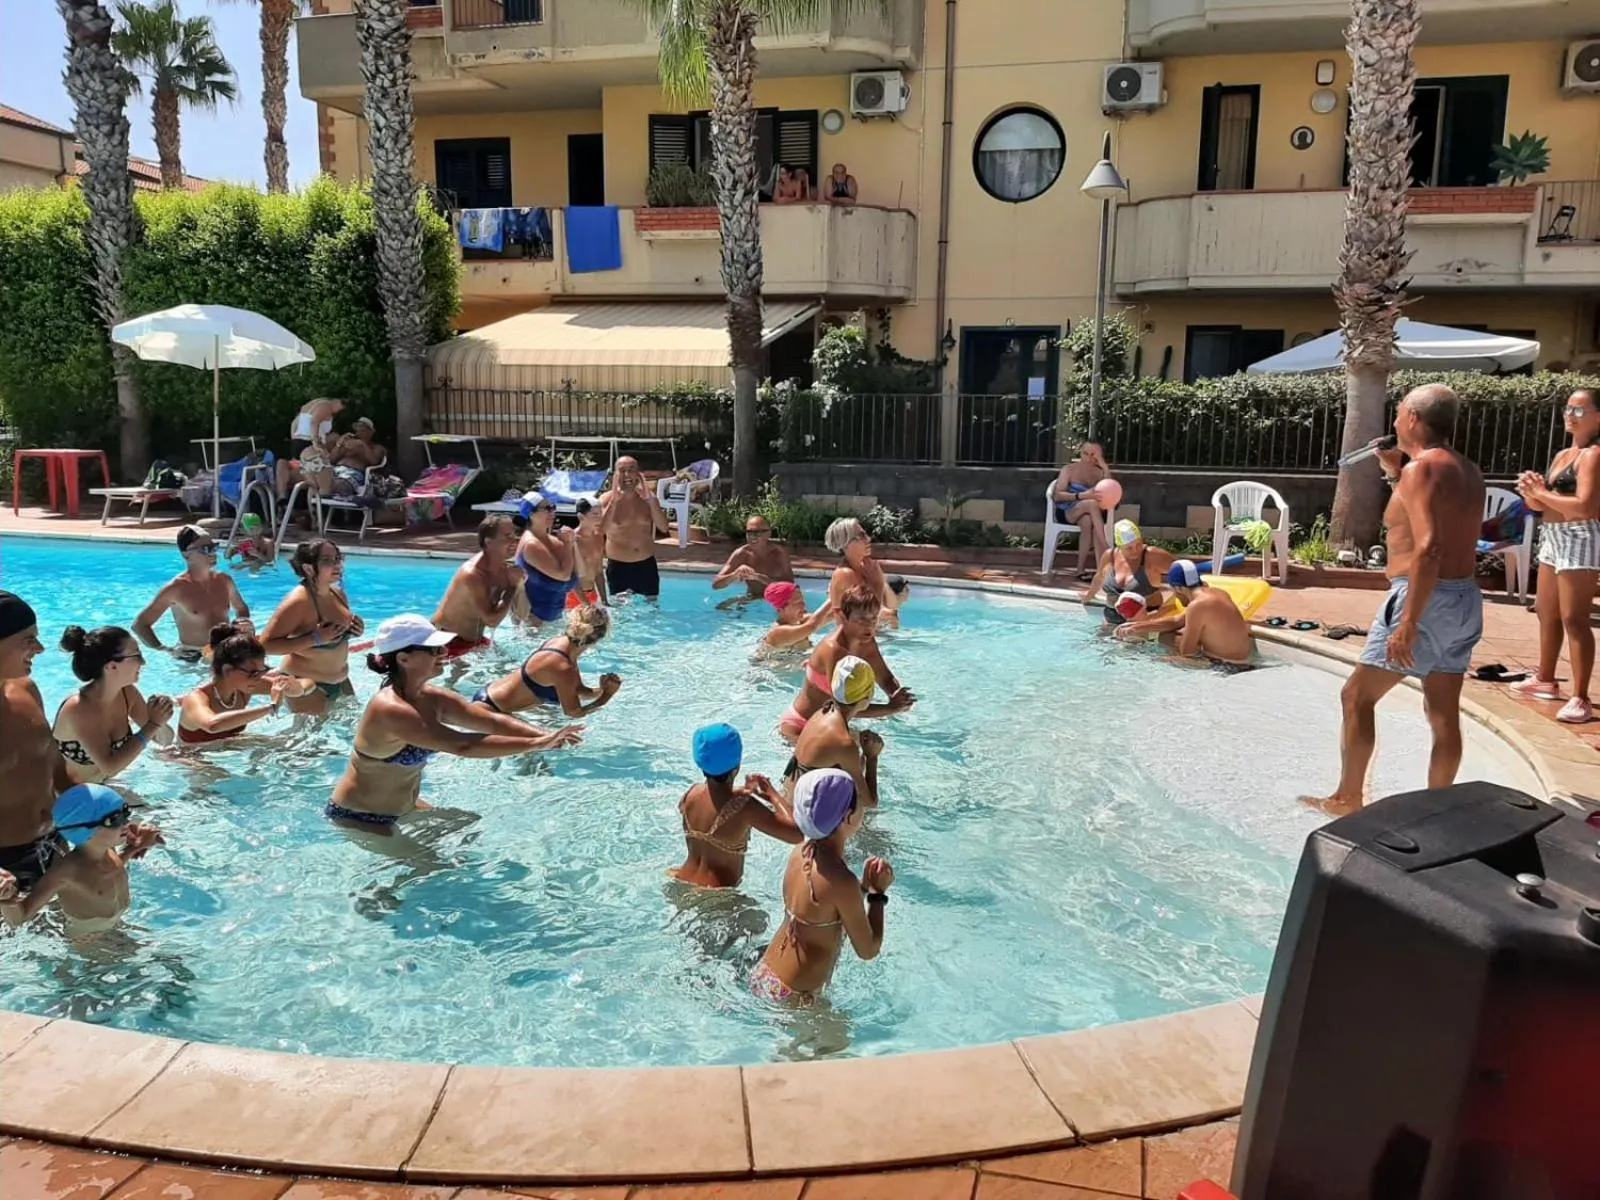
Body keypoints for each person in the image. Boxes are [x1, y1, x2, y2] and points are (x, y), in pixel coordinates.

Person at [1315, 384, 1485, 816]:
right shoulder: (1467, 470)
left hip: (1424, 598)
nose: (1393, 422)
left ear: (1412, 418)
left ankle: (1347, 799)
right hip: (1464, 598)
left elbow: (1429, 548)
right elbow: (1434, 522)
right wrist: (1395, 472)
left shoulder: (1421, 470)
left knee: (1356, 697)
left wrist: (1408, 621)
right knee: (1442, 712)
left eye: (1398, 414)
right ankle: (1437, 809)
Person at [327, 615, 582, 833]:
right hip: (360, 816)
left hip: (404, 807)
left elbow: (490, 720)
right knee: (432, 865)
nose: (444, 653)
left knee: (466, 824)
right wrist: (536, 744)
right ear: (404, 658)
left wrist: (548, 735)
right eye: (434, 649)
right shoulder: (391, 709)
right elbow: (463, 745)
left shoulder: (432, 697)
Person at [751, 769, 892, 1005]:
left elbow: (826, 908)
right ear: (848, 816)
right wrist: (877, 895)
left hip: (766, 974)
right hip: (797, 998)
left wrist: (863, 888)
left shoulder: (800, 853)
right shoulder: (841, 880)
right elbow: (868, 950)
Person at [1513, 388, 1600, 723]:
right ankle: (1545, 679)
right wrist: (1531, 494)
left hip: (1580, 537)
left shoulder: (1593, 455)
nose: (1569, 415)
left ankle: (1581, 697)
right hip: (1553, 535)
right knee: (1546, 611)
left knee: (1574, 618)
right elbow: (1543, 506)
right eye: (1568, 409)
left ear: (1597, 417)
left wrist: (1542, 493)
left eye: (1579, 411)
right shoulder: (1564, 454)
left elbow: (1584, 507)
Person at [0, 783, 163, 931]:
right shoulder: (66, 872)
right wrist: (6, 899)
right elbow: (19, 919)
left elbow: (109, 871)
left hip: (115, 926)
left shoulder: (108, 850)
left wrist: (135, 847)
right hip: (89, 943)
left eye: (125, 813)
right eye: (114, 820)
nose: (126, 823)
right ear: (85, 831)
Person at [0, 592, 75, 892]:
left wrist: (101, 817)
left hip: (54, 842)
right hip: (5, 870)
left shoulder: (27, 690)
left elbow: (53, 766)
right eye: (28, 639)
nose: (41, 648)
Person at [671, 723, 801, 889]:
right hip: (718, 894)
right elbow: (797, 834)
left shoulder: (690, 795)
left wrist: (740, 791)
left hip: (680, 881)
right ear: (737, 764)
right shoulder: (745, 807)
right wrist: (772, 795)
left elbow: (716, 803)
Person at [781, 583, 913, 742]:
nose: (869, 625)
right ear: (842, 616)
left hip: (830, 722)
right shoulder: (834, 649)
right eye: (862, 619)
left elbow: (884, 677)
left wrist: (899, 697)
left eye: (874, 618)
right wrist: (890, 708)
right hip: (802, 726)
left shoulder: (866, 641)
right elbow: (841, 706)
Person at [51, 626, 174, 784]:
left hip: (102, 786)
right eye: (137, 655)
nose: (143, 662)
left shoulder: (127, 693)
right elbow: (110, 766)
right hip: (65, 794)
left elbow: (165, 740)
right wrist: (152, 724)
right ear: (111, 666)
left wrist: (160, 717)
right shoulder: (78, 708)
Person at [261, 539, 364, 713]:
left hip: (341, 680)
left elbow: (335, 637)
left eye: (337, 558)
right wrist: (314, 639)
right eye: (327, 560)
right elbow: (265, 646)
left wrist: (355, 630)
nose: (337, 565)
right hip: (305, 685)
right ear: (308, 568)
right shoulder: (299, 601)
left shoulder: (337, 594)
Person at [474, 603, 623, 719]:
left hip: (491, 699)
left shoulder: (560, 645)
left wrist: (603, 689)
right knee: (550, 744)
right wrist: (607, 696)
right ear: (600, 637)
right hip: (491, 710)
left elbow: (577, 690)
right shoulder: (562, 667)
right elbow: (574, 713)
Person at [178, 622, 312, 744]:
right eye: (253, 672)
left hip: (228, 745)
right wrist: (271, 707)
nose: (258, 677)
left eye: (262, 671)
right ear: (227, 669)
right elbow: (213, 725)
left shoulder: (244, 686)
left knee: (294, 744)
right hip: (191, 755)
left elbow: (309, 682)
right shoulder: (195, 699)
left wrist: (296, 689)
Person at [134, 525, 252, 658]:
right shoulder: (175, 588)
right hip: (193, 656)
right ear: (186, 555)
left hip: (225, 651)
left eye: (214, 547)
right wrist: (165, 650)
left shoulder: (224, 580)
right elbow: (140, 625)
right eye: (205, 549)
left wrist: (242, 627)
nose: (213, 553)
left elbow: (241, 608)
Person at [1115, 560, 1255, 672]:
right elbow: (1177, 621)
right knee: (1165, 636)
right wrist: (1136, 627)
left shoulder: (1198, 605)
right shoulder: (1217, 593)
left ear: (1179, 588)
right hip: (1242, 662)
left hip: (1227, 667)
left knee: (1153, 661)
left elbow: (1187, 652)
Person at [784, 656, 882, 810]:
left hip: (790, 796)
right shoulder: (843, 742)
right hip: (804, 814)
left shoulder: (822, 713)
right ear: (866, 699)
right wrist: (872, 757)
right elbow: (870, 802)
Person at [432, 515, 519, 657]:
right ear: (488, 542)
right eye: (507, 536)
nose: (515, 540)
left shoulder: (505, 570)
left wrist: (520, 586)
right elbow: (491, 621)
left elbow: (520, 615)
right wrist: (513, 586)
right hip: (446, 641)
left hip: (474, 641)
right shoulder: (473, 574)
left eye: (515, 534)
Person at [599, 456, 670, 599]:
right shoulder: (605, 500)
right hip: (618, 567)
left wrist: (651, 502)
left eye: (631, 470)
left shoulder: (649, 499)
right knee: (620, 611)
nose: (627, 475)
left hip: (646, 565)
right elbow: (600, 531)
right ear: (615, 475)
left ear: (638, 474)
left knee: (652, 609)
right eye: (622, 471)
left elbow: (663, 527)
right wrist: (614, 502)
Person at [1082, 520, 1174, 627]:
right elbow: (1099, 577)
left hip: (1145, 621)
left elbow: (1183, 572)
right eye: (1129, 548)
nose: (1135, 550)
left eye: (1138, 544)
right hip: (1112, 618)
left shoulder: (1152, 555)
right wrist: (1088, 596)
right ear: (1119, 546)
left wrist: (1170, 607)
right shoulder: (1109, 556)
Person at [1052, 443, 1120, 579]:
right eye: (1085, 454)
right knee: (1091, 503)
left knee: (1087, 521)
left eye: (1094, 455)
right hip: (1068, 510)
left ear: (1100, 456)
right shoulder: (1069, 469)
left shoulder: (1101, 473)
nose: (1089, 458)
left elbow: (1111, 492)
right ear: (1080, 453)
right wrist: (1082, 496)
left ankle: (1082, 570)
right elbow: (1057, 496)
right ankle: (1106, 546)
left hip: (1092, 515)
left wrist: (1105, 467)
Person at [512, 494, 576, 626]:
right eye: (547, 508)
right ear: (531, 514)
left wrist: (572, 542)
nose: (552, 512)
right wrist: (568, 544)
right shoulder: (531, 545)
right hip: (533, 623)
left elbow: (579, 574)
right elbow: (564, 575)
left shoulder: (554, 541)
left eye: (553, 507)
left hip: (554, 620)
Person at [824, 517, 899, 622]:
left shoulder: (865, 569)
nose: (868, 539)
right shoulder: (845, 574)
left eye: (865, 534)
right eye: (861, 536)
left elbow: (893, 606)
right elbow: (870, 617)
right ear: (845, 544)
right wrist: (877, 584)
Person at [276, 397, 344, 502]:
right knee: (318, 472)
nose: (340, 411)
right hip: (308, 443)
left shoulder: (308, 407)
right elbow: (314, 422)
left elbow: (294, 424)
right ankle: (319, 500)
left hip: (298, 442)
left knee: (304, 471)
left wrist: (295, 438)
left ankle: (283, 495)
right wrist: (315, 442)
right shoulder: (326, 405)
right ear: (338, 401)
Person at [713, 515, 795, 601]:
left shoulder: (779, 553)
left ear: (768, 533)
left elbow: (790, 587)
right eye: (749, 532)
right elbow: (715, 584)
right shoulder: (741, 553)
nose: (753, 536)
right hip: (752, 598)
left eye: (757, 532)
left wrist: (758, 577)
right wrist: (734, 575)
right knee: (722, 607)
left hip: (777, 599)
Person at [761, 581, 836, 652]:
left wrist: (836, 592)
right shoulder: (777, 633)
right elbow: (811, 626)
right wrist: (832, 598)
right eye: (797, 602)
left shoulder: (803, 621)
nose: (803, 605)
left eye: (802, 600)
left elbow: (834, 615)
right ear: (781, 609)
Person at [571, 498, 608, 607]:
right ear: (581, 517)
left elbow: (599, 572)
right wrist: (587, 606)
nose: (599, 519)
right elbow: (570, 578)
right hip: (572, 597)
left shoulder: (598, 537)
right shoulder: (572, 540)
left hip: (591, 594)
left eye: (600, 514)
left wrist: (604, 601)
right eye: (595, 515)